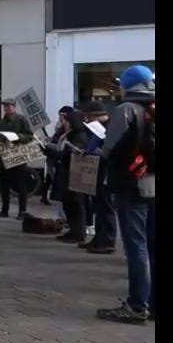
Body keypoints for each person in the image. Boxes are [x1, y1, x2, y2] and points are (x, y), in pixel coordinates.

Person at [97, 65, 155, 324]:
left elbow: (109, 149)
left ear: (128, 85)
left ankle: (136, 305)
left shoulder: (125, 110)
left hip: (131, 184)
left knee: (136, 246)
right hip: (153, 182)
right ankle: (151, 304)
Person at [43, 111, 89, 244]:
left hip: (74, 172)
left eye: (66, 121)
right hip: (64, 170)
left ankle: (78, 232)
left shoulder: (79, 135)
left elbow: (68, 154)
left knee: (75, 204)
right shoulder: (68, 134)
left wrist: (51, 153)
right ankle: (73, 231)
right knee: (67, 203)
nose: (64, 123)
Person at [79, 101, 117, 255]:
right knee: (99, 206)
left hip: (106, 171)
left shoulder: (110, 128)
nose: (87, 120)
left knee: (106, 206)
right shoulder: (96, 129)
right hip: (97, 169)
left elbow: (111, 149)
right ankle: (99, 238)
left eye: (89, 117)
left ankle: (108, 240)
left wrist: (96, 152)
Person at [0, 98, 35, 219]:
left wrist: (17, 137)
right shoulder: (1, 122)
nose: (6, 108)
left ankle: (22, 211)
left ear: (14, 107)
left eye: (8, 106)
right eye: (4, 106)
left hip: (18, 156)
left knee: (21, 186)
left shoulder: (21, 119)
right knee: (4, 186)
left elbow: (29, 136)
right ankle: (4, 210)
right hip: (4, 156)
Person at [41, 106, 74, 206]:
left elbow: (62, 148)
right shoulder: (60, 126)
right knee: (50, 176)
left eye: (62, 116)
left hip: (60, 158)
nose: (60, 118)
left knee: (54, 177)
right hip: (54, 156)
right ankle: (45, 196)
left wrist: (50, 146)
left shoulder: (70, 130)